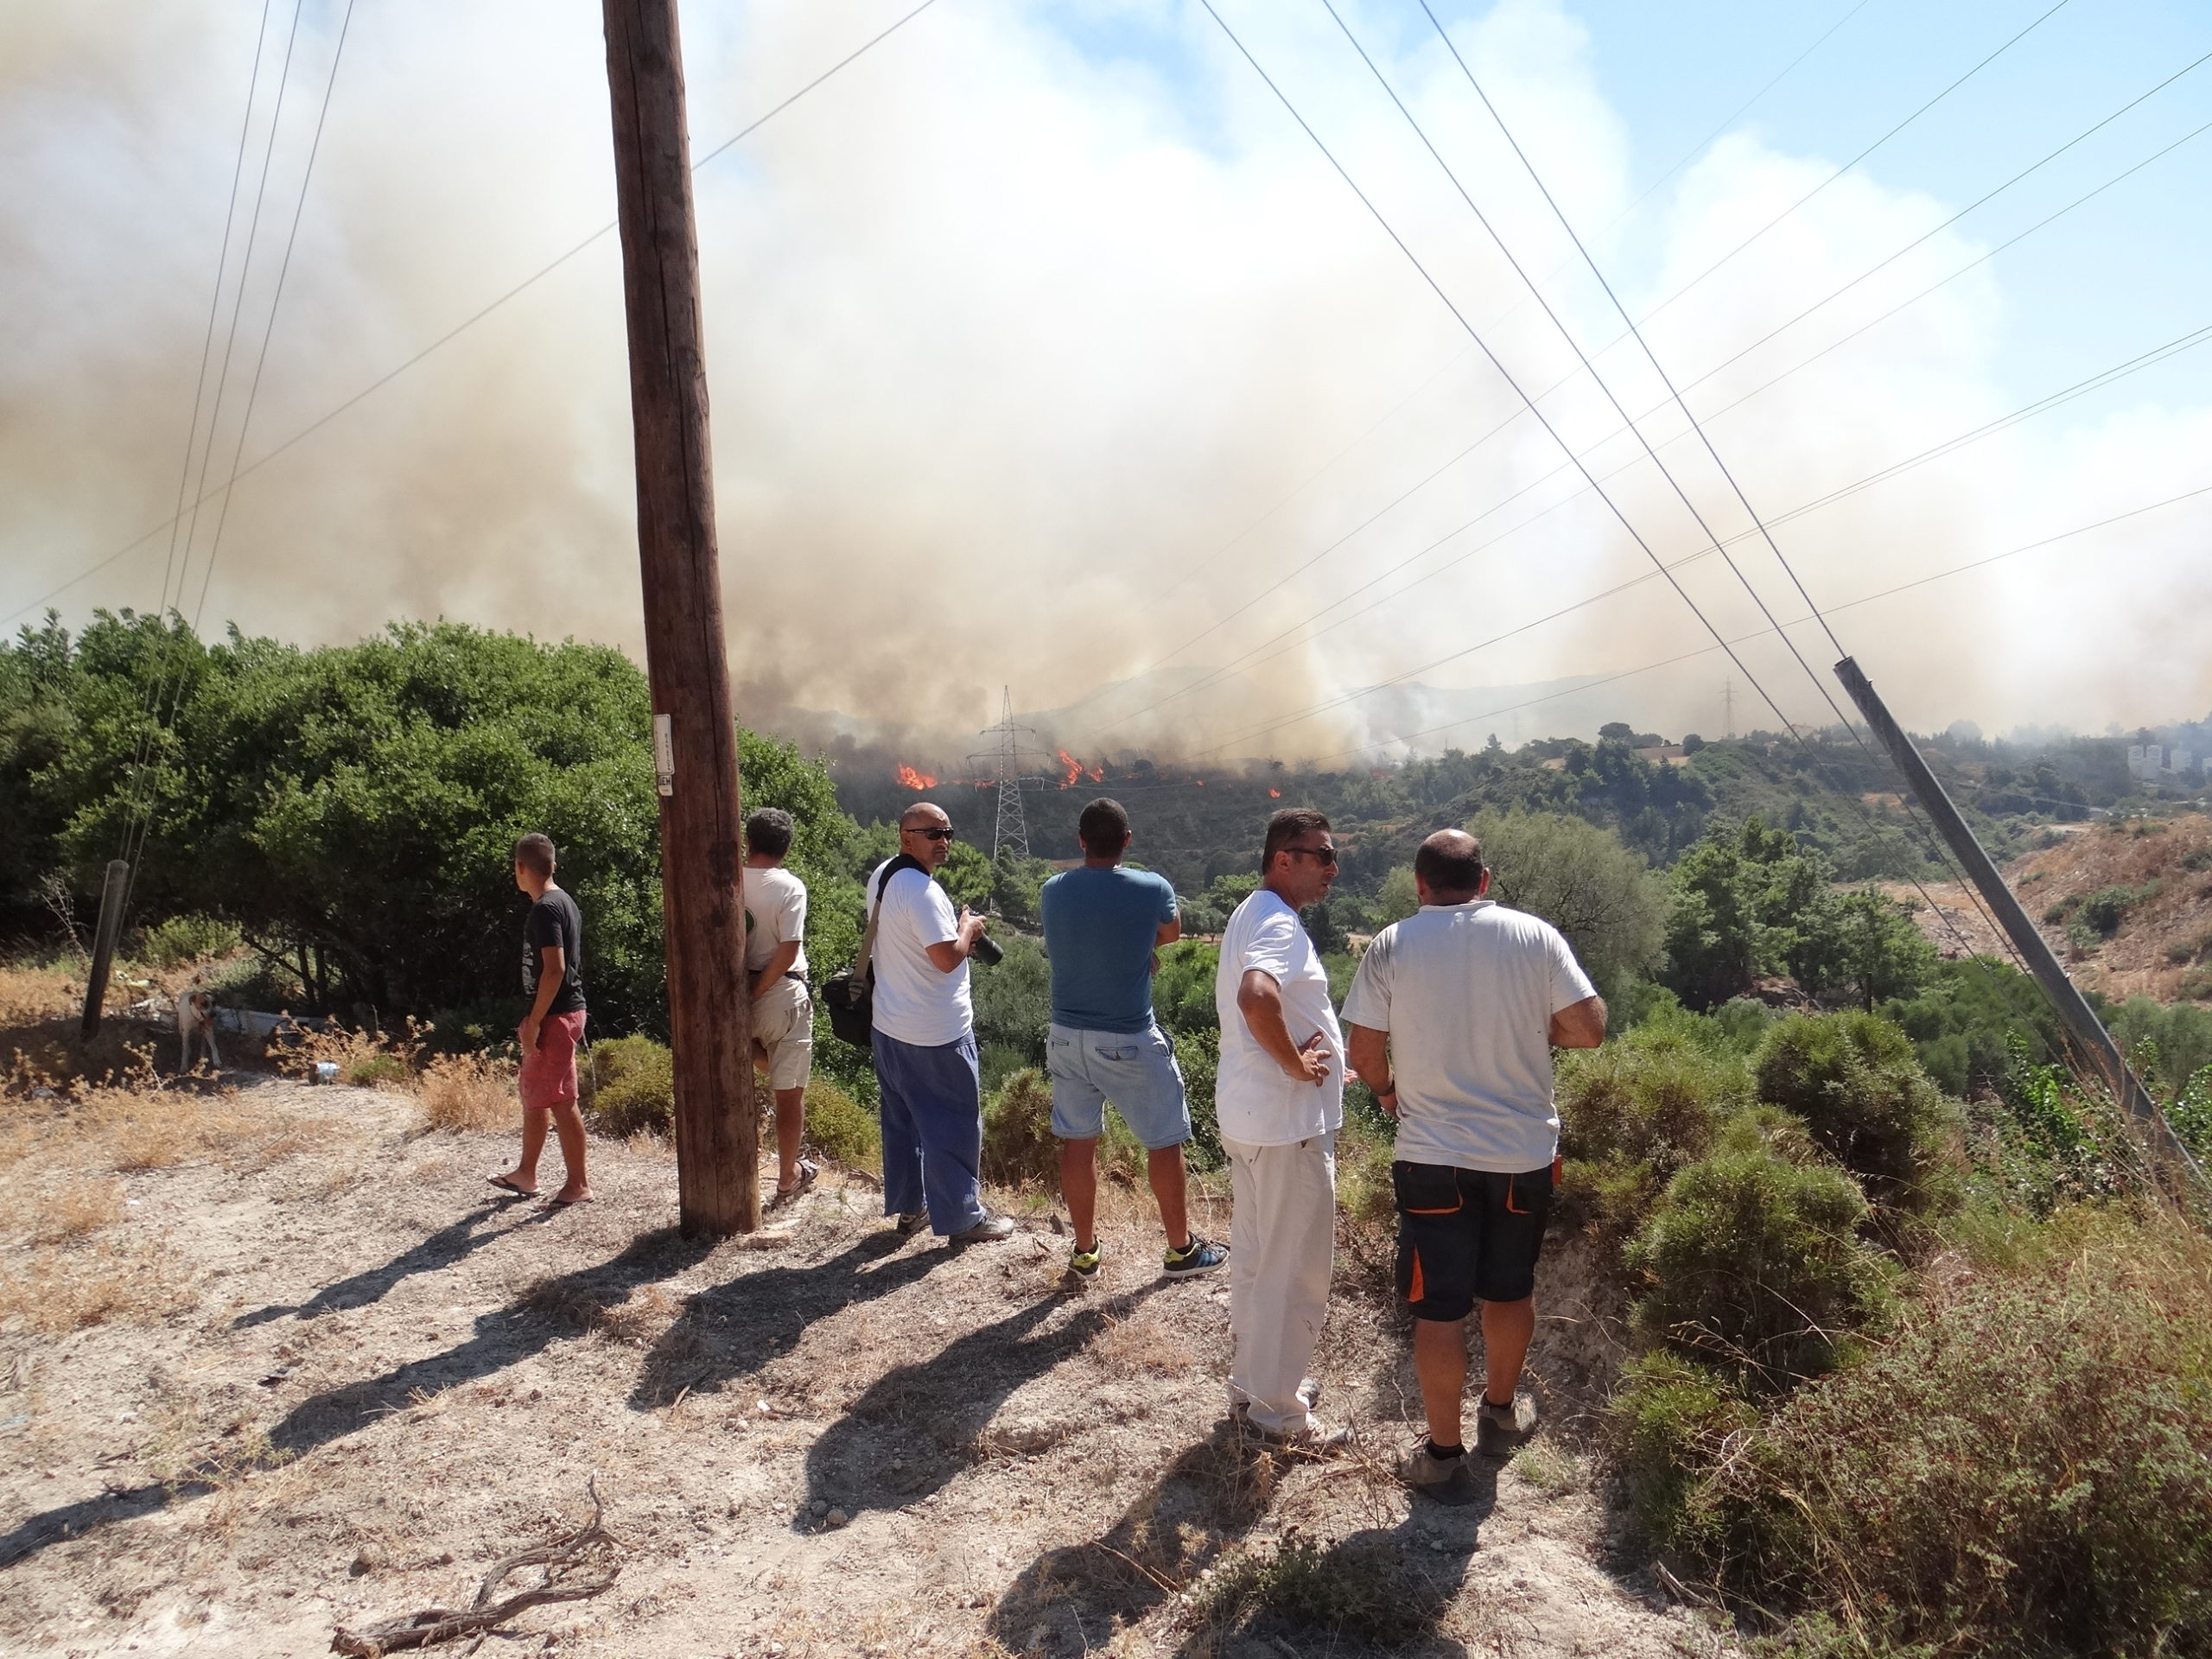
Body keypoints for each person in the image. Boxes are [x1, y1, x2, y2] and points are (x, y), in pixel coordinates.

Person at [1341, 828, 1606, 1498]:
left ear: (1420, 885)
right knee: (1510, 1290)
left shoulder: (1393, 945)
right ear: (1484, 881)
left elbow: (1365, 1053)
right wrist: (1526, 1023)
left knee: (1439, 1310)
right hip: (1522, 1156)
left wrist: (1387, 1094)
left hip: (1432, 1158)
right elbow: (1589, 1028)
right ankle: (1500, 1416)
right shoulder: (1535, 937)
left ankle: (1441, 1457)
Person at [1039, 798, 1228, 1285]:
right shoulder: (1152, 887)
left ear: (1080, 841)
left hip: (1064, 1037)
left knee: (1078, 1146)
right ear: (1127, 840)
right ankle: (1181, 1251)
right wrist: (1137, 949)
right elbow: (1170, 933)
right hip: (1126, 1038)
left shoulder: (1052, 891)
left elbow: (1081, 938)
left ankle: (1084, 1253)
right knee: (1165, 1142)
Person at [1212, 807, 1349, 1449]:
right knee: (1294, 1271)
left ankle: (1253, 1386)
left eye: (1331, 855)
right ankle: (1278, 1414)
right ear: (1282, 858)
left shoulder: (1252, 911)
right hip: (1285, 1125)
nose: (1331, 866)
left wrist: (1319, 1060)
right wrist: (1297, 1067)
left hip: (1253, 1118)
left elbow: (1274, 1004)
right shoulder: (1278, 922)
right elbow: (1257, 996)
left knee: (1258, 1262)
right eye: (1319, 854)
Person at [868, 803, 1014, 1244]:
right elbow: (946, 959)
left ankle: (913, 1210)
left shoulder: (884, 875)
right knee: (953, 1124)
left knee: (904, 1124)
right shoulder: (924, 892)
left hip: (889, 1025)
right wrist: (967, 928)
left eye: (948, 831)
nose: (943, 840)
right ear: (905, 835)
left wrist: (956, 931)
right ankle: (963, 1219)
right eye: (932, 833)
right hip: (935, 1034)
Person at [489, 832, 592, 1209]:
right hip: (555, 1012)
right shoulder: (562, 901)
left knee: (562, 1100)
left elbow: (555, 969)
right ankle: (525, 1174)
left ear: (520, 868)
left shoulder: (546, 908)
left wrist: (534, 1022)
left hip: (556, 1015)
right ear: (553, 865)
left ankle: (578, 1185)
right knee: (535, 1097)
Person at [744, 807, 817, 1205]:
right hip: (781, 995)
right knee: (789, 1094)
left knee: (748, 1056)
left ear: (748, 841)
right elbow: (789, 950)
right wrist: (756, 992)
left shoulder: (729, 878)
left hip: (731, 993)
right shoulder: (790, 887)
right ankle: (787, 1177)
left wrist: (742, 996)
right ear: (786, 847)